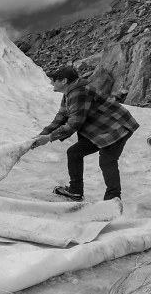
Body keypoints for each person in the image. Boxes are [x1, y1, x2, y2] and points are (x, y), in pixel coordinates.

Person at [31, 67, 139, 201]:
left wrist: (49, 137)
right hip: (100, 131)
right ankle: (75, 191)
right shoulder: (69, 94)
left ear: (64, 81)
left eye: (54, 80)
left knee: (107, 161)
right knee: (74, 153)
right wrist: (41, 135)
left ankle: (113, 199)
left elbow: (74, 123)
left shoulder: (79, 93)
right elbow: (61, 117)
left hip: (117, 128)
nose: (51, 83)